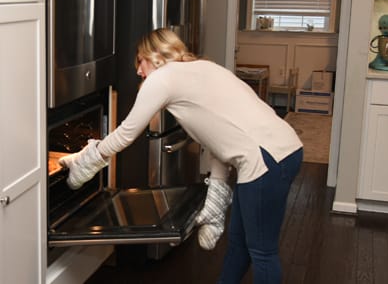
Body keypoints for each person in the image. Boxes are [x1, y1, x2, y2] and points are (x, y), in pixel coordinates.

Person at [59, 28, 304, 284]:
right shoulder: (205, 68)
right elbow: (219, 140)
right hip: (281, 149)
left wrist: (85, 161)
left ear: (154, 55)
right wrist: (216, 197)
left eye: (139, 62)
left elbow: (126, 134)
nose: (138, 71)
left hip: (266, 158)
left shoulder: (162, 79)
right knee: (240, 242)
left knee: (262, 252)